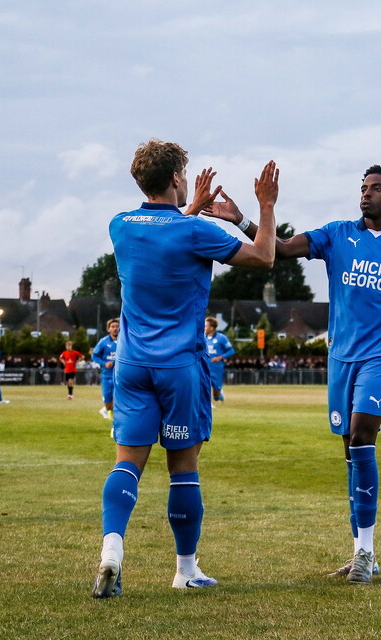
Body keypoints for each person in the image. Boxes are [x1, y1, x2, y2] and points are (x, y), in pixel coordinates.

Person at [204, 163, 381, 584]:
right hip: (341, 361)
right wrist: (245, 219)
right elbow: (277, 249)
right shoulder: (337, 234)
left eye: (376, 188)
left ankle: (366, 554)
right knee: (350, 452)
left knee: (361, 436)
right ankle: (360, 552)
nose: (366, 194)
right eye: (363, 187)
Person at [92, 140, 279, 599]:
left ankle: (111, 552)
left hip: (131, 365)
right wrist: (265, 206)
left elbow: (161, 230)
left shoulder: (120, 226)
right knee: (183, 468)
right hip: (179, 366)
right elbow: (264, 256)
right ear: (177, 178)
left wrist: (189, 207)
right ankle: (185, 569)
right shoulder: (196, 233)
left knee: (127, 464)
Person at [91, 318, 119, 420]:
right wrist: (104, 363)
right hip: (107, 375)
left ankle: (114, 425)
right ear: (108, 329)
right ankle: (106, 409)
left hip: (120, 376)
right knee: (108, 401)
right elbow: (94, 356)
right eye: (113, 327)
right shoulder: (103, 342)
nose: (115, 329)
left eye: (117, 326)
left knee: (119, 400)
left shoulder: (124, 341)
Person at [204, 316, 235, 403]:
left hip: (216, 368)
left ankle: (219, 395)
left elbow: (231, 351)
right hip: (205, 366)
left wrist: (220, 357)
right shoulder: (202, 338)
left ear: (212, 328)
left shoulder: (221, 338)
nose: (204, 328)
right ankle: (208, 404)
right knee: (204, 386)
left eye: (206, 326)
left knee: (216, 395)